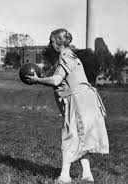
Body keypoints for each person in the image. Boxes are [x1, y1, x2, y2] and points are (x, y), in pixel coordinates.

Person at [26, 29, 109, 183]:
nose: (50, 44)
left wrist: (38, 80)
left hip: (78, 102)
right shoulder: (73, 56)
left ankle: (64, 177)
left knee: (69, 136)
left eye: (51, 40)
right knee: (82, 137)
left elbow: (56, 80)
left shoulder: (66, 58)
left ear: (58, 41)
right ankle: (87, 174)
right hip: (87, 100)